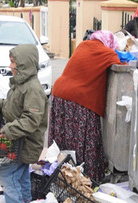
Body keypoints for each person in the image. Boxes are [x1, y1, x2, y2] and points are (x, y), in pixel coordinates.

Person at [0, 44, 48, 203]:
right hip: (18, 141)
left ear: (24, 64)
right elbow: (12, 106)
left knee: (8, 174)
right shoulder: (21, 84)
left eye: (13, 62)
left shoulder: (32, 89)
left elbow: (31, 119)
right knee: (21, 175)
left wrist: (8, 130)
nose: (11, 66)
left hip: (25, 142)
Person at [48, 30, 122, 182]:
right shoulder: (105, 52)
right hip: (78, 100)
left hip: (59, 94)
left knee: (63, 142)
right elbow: (121, 64)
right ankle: (86, 180)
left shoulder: (83, 46)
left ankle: (60, 177)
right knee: (85, 140)